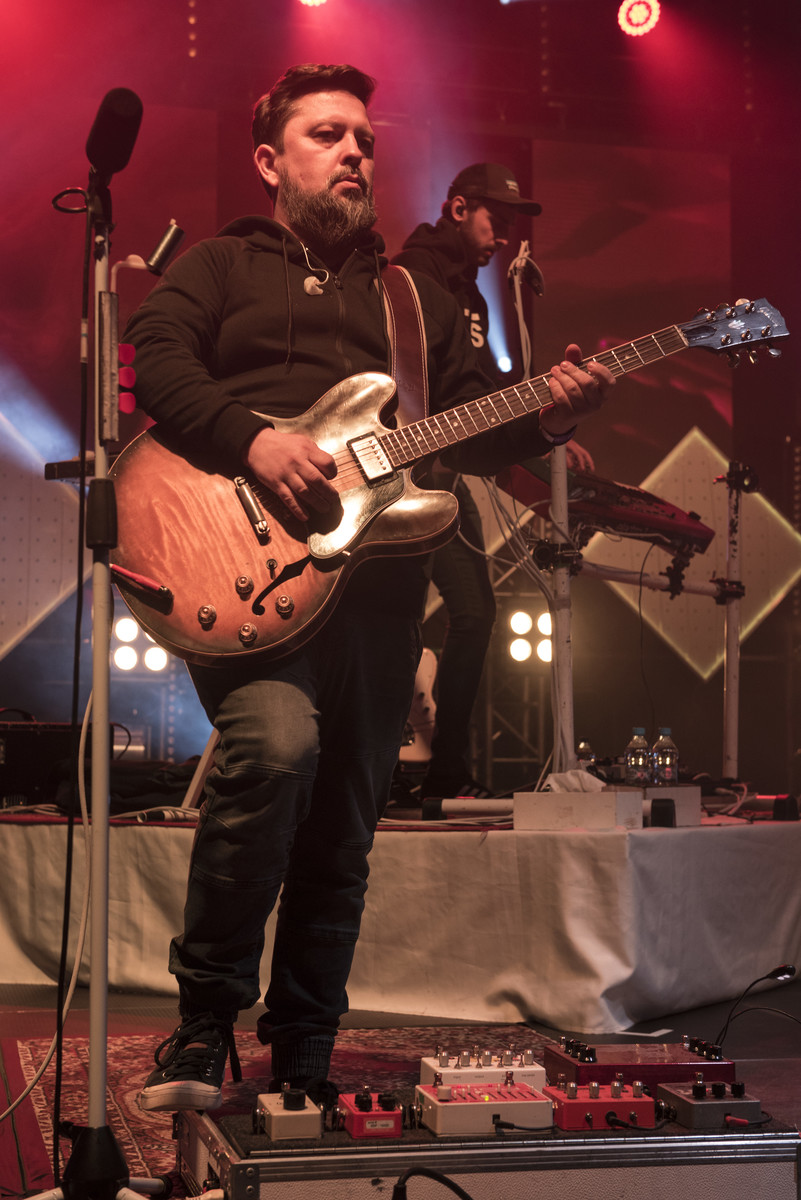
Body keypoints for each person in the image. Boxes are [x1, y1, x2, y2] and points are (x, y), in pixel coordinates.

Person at [124, 63, 614, 1114]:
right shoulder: (220, 265)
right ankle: (204, 1027)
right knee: (274, 750)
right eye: (328, 135)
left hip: (382, 594)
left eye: (365, 140)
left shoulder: (412, 299)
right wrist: (253, 439)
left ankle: (304, 1048)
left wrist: (555, 413)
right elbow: (155, 357)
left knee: (344, 827)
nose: (355, 152)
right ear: (270, 160)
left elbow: (475, 431)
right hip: (246, 569)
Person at [392, 164, 594, 800]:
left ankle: (445, 772)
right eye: (494, 220)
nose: (504, 236)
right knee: (394, 617)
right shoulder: (410, 276)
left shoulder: (474, 300)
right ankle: (378, 769)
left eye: (509, 225)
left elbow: (477, 391)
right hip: (393, 487)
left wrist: (546, 420)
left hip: (444, 481)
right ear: (457, 209)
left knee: (476, 613)